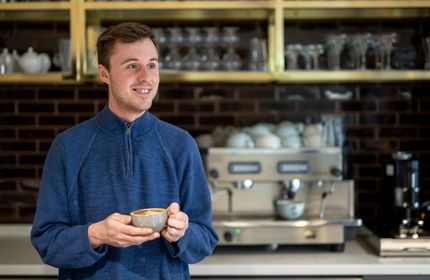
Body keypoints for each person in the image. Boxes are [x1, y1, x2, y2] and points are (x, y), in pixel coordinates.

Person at [31, 22, 218, 279]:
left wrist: (182, 232)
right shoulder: (68, 147)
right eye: (132, 66)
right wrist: (96, 235)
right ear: (104, 73)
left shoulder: (181, 145)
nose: (146, 77)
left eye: (152, 65)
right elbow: (46, 241)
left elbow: (205, 239)